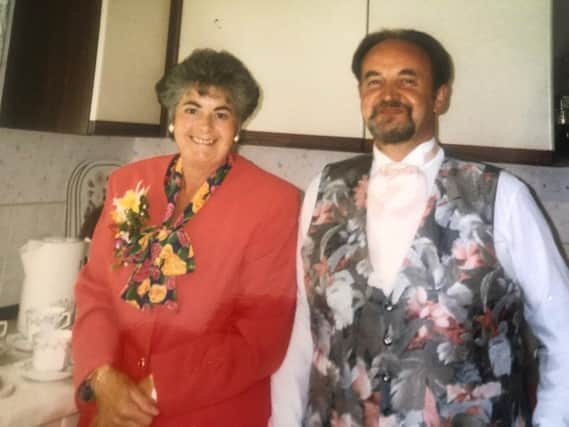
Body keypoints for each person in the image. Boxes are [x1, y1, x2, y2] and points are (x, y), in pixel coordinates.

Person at [270, 29, 569, 426]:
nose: (388, 93)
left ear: (440, 96)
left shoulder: (503, 197)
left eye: (407, 80)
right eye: (374, 80)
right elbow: (306, 330)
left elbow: (563, 333)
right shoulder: (323, 190)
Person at [72, 48, 300, 426]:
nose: (205, 127)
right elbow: (95, 289)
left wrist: (147, 392)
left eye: (221, 114)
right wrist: (101, 376)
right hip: (110, 402)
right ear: (173, 118)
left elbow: (261, 336)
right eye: (192, 108)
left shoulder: (274, 203)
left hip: (209, 411)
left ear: (237, 126)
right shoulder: (127, 182)